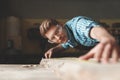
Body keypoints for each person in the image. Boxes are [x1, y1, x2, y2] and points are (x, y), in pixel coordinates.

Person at [39, 16, 120, 63]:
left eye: (57, 31)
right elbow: (66, 44)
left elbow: (94, 30)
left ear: (61, 24)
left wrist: (106, 38)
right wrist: (54, 49)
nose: (58, 37)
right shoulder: (66, 36)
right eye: (53, 38)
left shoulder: (78, 25)